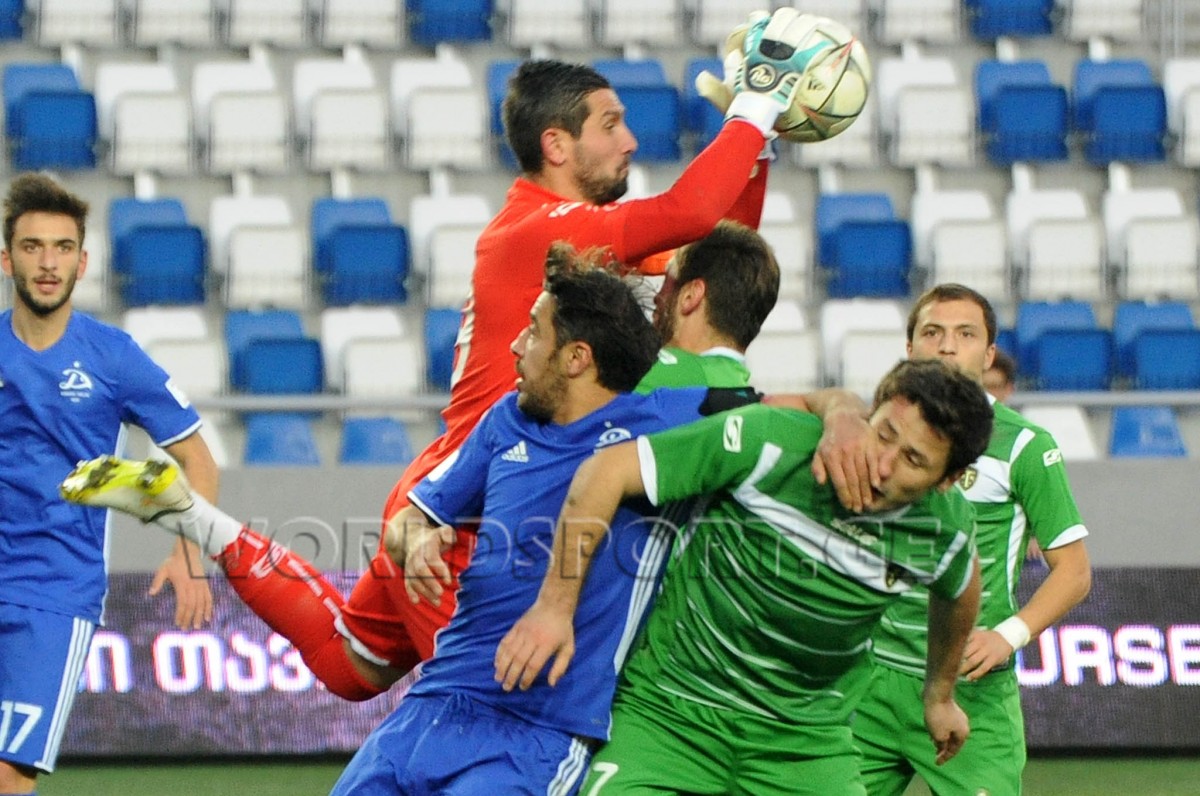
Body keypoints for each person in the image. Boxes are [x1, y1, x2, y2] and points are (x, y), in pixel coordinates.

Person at [57, 12, 801, 707]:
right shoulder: (537, 232)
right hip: (469, 512)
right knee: (502, 707)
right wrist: (755, 107)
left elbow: (711, 267)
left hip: (454, 488)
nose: (631, 141)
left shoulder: (570, 239)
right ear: (557, 145)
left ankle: (189, 513)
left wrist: (758, 148)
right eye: (611, 124)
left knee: (348, 665)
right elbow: (688, 213)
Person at [62, 253, 765, 793]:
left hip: (533, 736)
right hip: (431, 708)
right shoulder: (506, 421)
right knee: (347, 660)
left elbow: (788, 414)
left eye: (534, 332)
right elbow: (408, 518)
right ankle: (194, 517)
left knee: (346, 659)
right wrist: (416, 537)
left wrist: (828, 413)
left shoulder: (668, 420)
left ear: (577, 358)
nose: (516, 347)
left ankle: (194, 517)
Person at [494, 358, 993, 795]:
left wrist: (939, 695)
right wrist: (554, 608)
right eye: (883, 434)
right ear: (869, 413)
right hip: (671, 712)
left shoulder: (943, 531)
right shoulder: (771, 442)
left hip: (805, 742)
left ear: (947, 480)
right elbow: (606, 471)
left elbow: (961, 590)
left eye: (913, 460)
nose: (881, 465)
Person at [802, 283, 1092, 796]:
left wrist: (1008, 636)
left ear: (989, 354)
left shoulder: (1024, 446)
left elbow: (1074, 571)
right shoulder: (872, 432)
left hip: (969, 689)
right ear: (910, 347)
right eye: (932, 332)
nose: (948, 346)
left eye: (965, 334)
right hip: (868, 680)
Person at [0, 172, 218, 794]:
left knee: (9, 775)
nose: (48, 263)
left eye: (63, 248)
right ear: (7, 259)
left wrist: (188, 553)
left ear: (83, 261)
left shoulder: (113, 357)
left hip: (52, 593)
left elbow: (198, 459)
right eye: (33, 247)